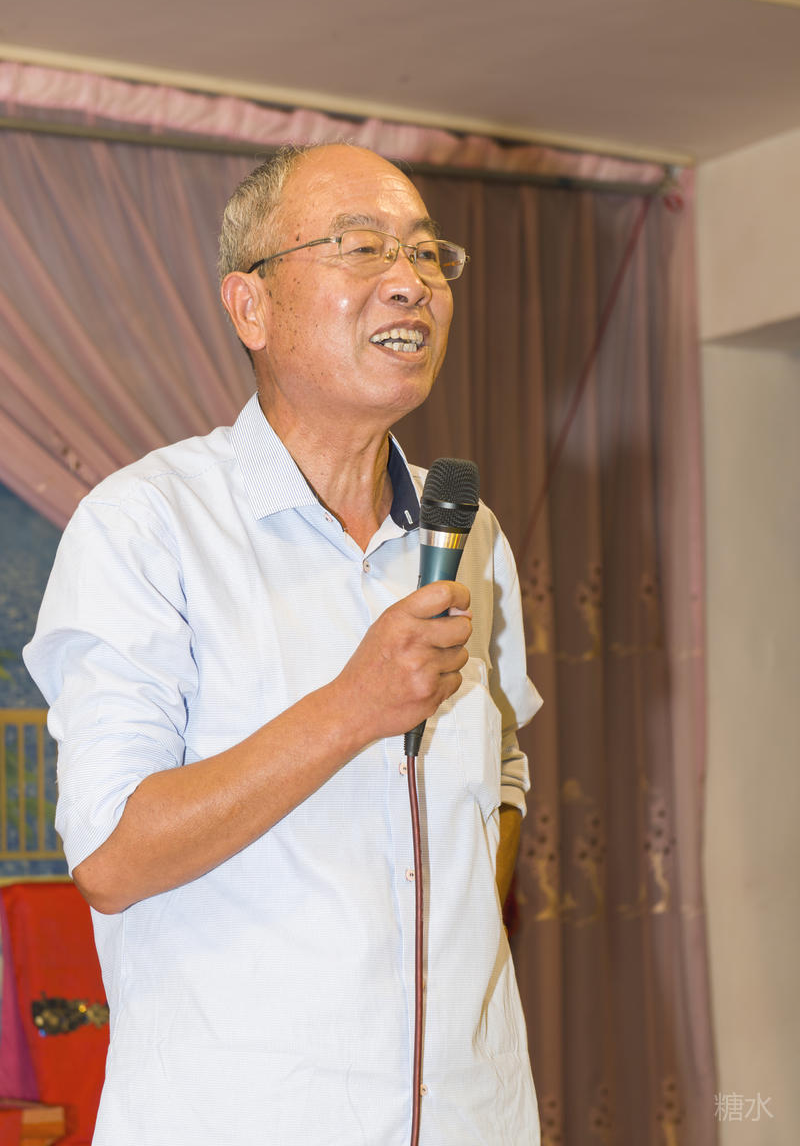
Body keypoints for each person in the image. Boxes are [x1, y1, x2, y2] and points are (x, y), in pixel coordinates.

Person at [24, 144, 542, 1145]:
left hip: (473, 1117)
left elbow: (503, 771)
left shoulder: (468, 532)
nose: (410, 281)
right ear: (250, 306)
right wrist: (350, 710)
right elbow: (111, 858)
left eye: (426, 252)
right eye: (360, 245)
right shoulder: (148, 524)